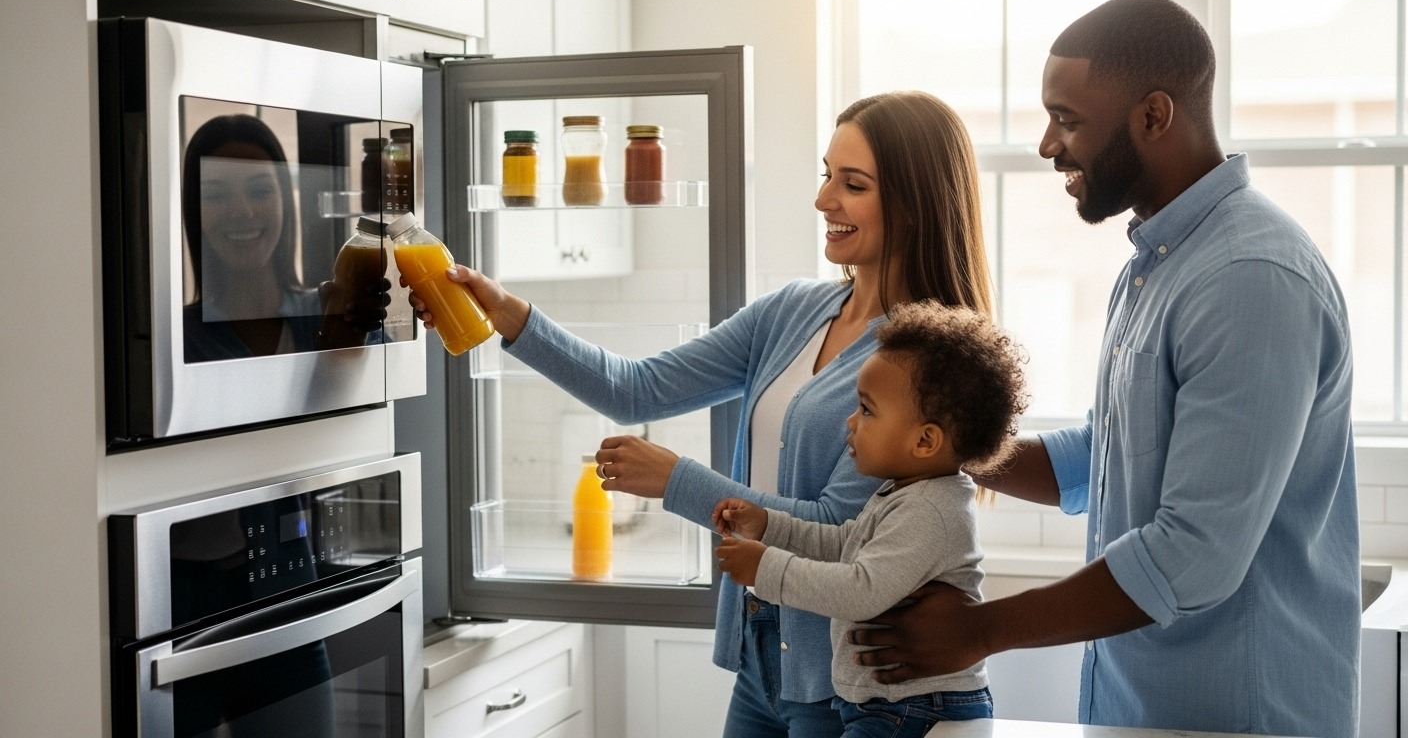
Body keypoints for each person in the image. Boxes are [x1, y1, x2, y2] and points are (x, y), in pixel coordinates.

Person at [849, 0, 1360, 737]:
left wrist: (980, 630)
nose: (1049, 144)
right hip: (1141, 707)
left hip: (1242, 715)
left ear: (1154, 116)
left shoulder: (1249, 277)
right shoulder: (1158, 262)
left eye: (1069, 118)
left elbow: (1193, 556)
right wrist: (938, 444)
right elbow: (1105, 457)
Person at [413, 90, 995, 737]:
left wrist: (677, 482)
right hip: (758, 649)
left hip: (844, 678)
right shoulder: (792, 311)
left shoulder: (922, 359)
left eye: (852, 184)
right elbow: (637, 388)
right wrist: (509, 315)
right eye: (826, 174)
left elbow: (844, 526)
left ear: (914, 205)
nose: (824, 199)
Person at [711, 301, 1029, 737]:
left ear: (924, 440)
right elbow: (845, 545)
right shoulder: (903, 493)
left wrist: (766, 569)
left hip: (915, 708)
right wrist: (769, 525)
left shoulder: (930, 510)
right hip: (888, 705)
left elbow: (861, 590)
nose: (851, 420)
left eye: (866, 410)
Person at [181, 113, 386, 361]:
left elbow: (395, 381)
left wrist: (358, 336)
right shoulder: (179, 336)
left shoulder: (326, 311)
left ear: (285, 201)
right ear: (195, 210)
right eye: (216, 195)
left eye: (260, 190)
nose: (243, 211)